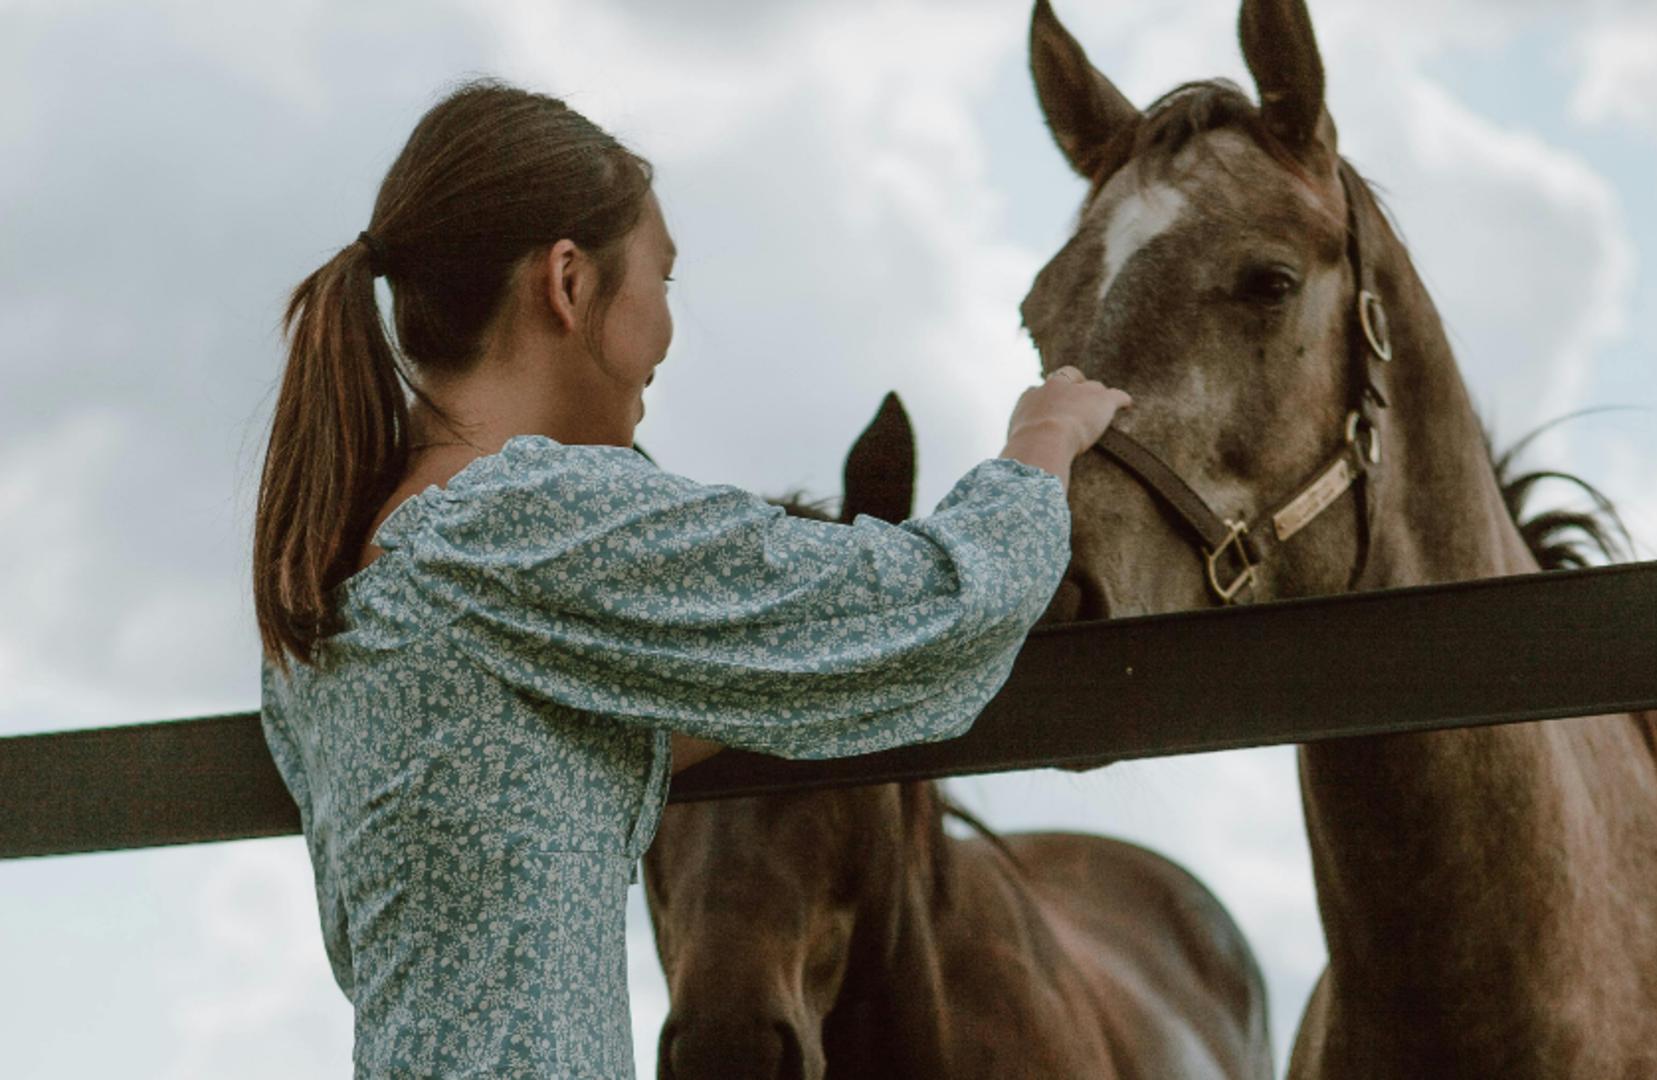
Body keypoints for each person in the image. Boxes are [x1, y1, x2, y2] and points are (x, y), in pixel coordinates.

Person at [251, 79, 1130, 1078]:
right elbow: (936, 604)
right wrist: (1039, 449)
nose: (668, 332)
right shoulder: (523, 517)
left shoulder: (332, 591)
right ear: (569, 284)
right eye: (663, 280)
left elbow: (532, 770)